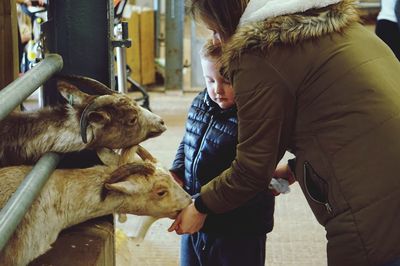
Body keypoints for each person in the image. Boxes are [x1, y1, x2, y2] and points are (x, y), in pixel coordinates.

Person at [168, 0, 400, 265]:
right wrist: (293, 169)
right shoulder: (344, 29)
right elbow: (347, 120)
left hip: (372, 201)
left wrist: (200, 206)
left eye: (216, 31)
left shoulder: (258, 55)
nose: (217, 41)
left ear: (227, 18)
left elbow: (251, 170)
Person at [169, 40, 276, 266]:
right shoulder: (201, 101)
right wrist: (178, 170)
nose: (217, 89)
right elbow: (188, 138)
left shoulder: (255, 117)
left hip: (238, 228)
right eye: (210, 80)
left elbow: (247, 173)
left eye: (227, 81)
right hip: (196, 216)